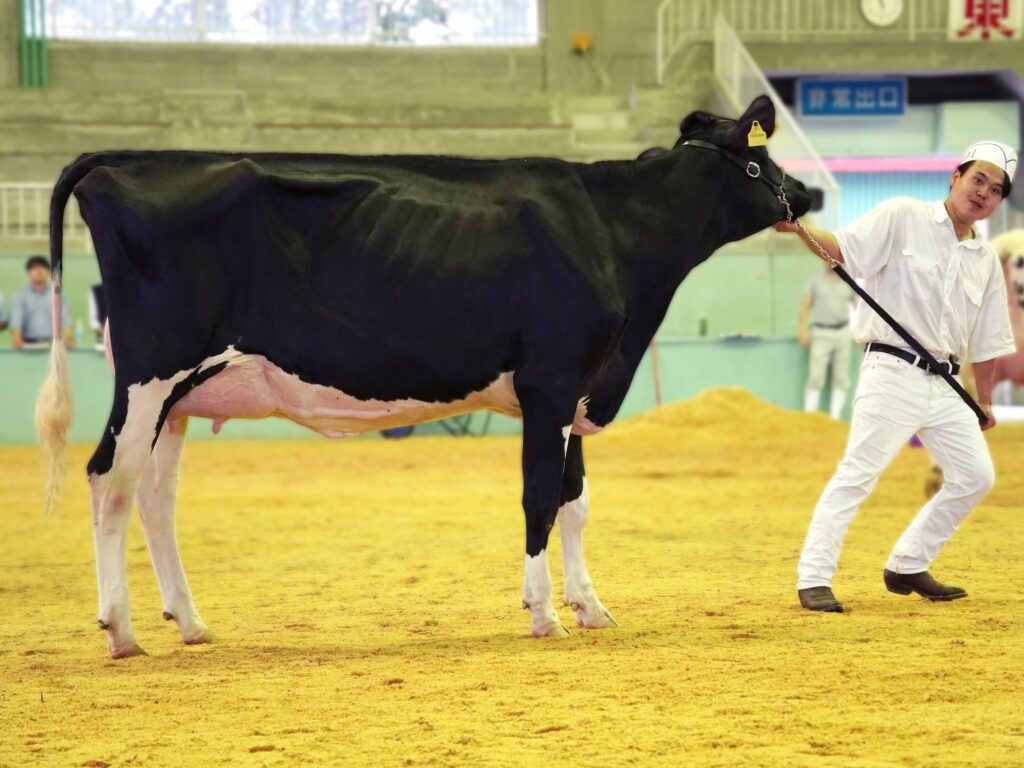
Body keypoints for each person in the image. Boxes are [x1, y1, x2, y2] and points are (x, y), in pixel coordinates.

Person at [774, 140, 1017, 613]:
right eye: (978, 179)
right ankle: (814, 577)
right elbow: (845, 250)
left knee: (976, 477)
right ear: (955, 176)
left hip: (946, 383)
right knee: (858, 474)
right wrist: (800, 230)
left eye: (995, 189)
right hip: (892, 370)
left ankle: (908, 563)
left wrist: (984, 400)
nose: (983, 192)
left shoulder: (985, 261)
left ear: (999, 202)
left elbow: (988, 339)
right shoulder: (903, 214)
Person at [799, 264, 856, 418]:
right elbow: (805, 307)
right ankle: (810, 417)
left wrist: (861, 331)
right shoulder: (815, 281)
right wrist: (803, 331)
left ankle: (835, 418)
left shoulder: (847, 281)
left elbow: (858, 305)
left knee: (841, 377)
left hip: (843, 333)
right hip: (821, 332)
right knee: (815, 375)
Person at [9, 255, 73, 349]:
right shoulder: (20, 296)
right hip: (27, 344)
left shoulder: (59, 295)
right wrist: (17, 338)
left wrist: (68, 338)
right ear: (28, 272)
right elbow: (16, 322)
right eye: (34, 268)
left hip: (54, 344)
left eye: (43, 267)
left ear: (48, 272)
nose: (39, 271)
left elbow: (66, 321)